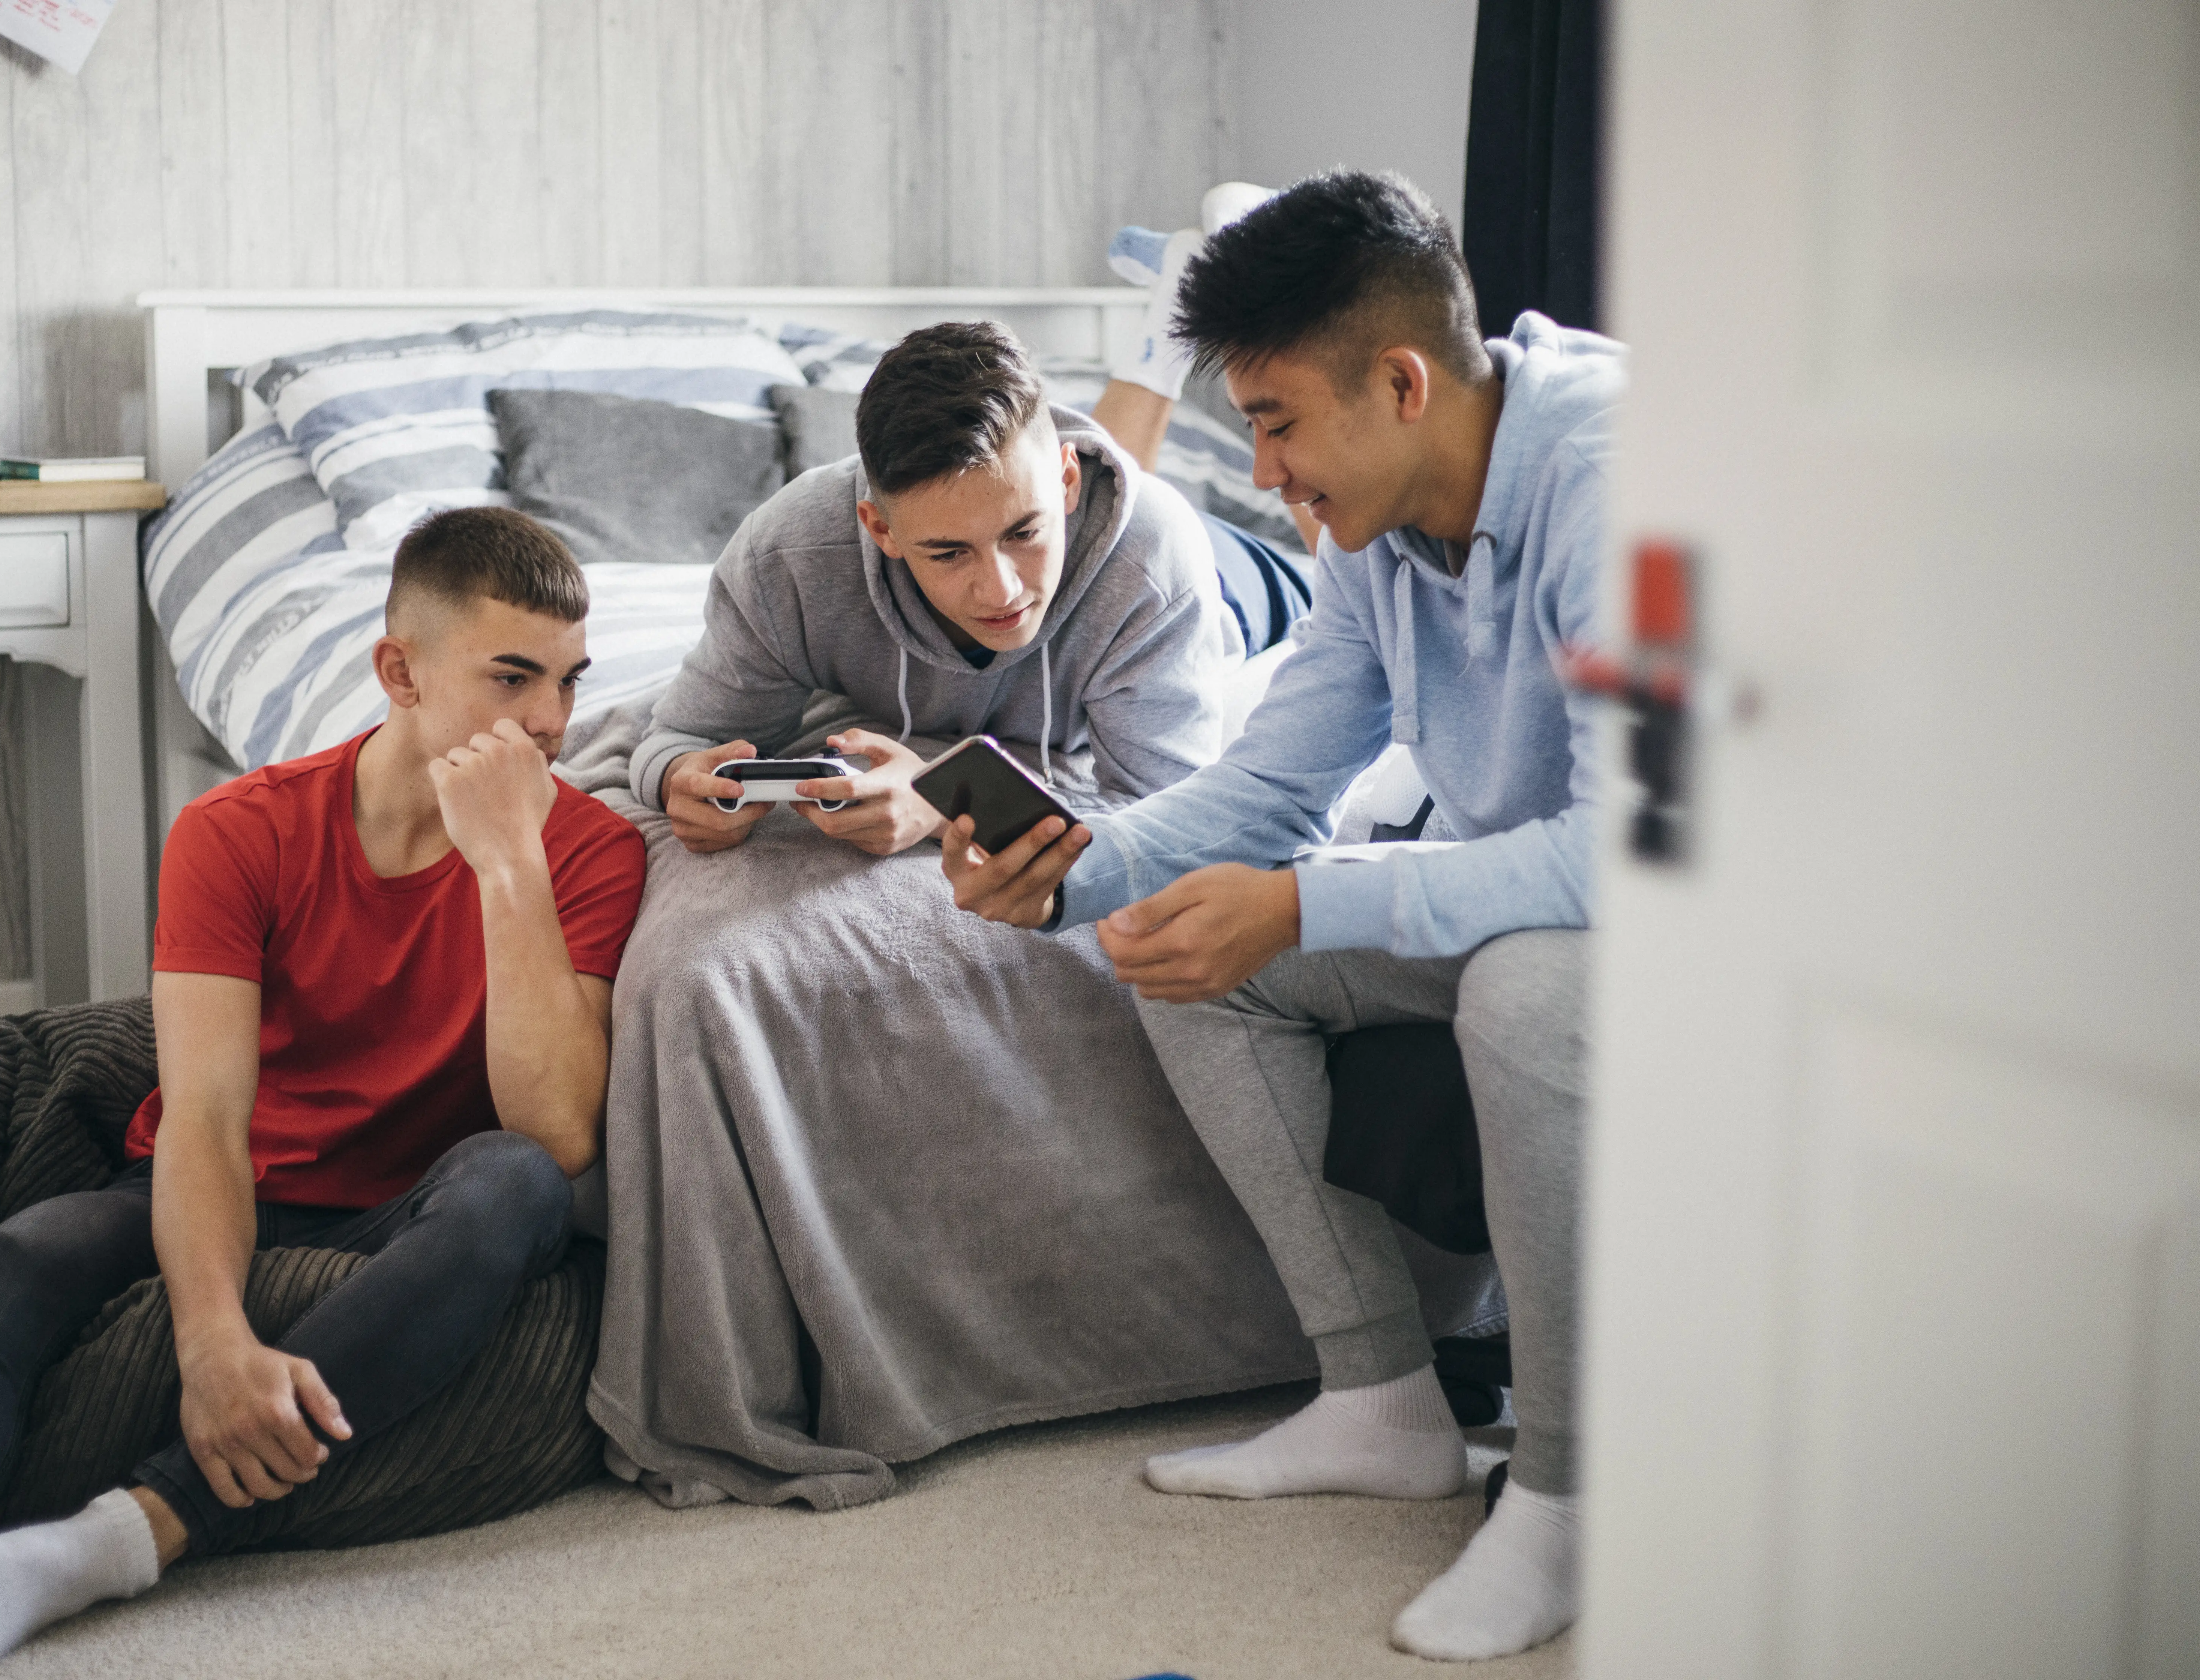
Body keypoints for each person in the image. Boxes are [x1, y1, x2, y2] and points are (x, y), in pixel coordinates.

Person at [939, 169, 1619, 1662]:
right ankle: (1383, 1399)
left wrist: (1308, 899)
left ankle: (1568, 1493)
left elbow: (1631, 856)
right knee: (1196, 945)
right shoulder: (1372, 532)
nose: (1265, 466)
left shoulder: (1618, 477)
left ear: (1400, 380)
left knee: (1525, 989)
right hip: (1536, 902)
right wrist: (1073, 869)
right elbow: (1264, 792)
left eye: (1277, 420)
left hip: (1703, 926)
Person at [0, 507, 648, 1665]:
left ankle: (130, 1532)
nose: (552, 723)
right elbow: (206, 1120)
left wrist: (507, 861)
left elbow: (558, 1129)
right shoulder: (236, 830)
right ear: (397, 671)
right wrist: (212, 1339)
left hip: (414, 1203)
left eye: (569, 681)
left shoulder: (590, 851)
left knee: (515, 1186)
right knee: (2, 1259)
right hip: (239, 1170)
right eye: (512, 677)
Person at [633, 318, 1233, 852]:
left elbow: (1176, 822)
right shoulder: (786, 559)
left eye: (1024, 532)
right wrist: (681, 778)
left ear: (1068, 481)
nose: (1001, 593)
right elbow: (680, 740)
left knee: (1320, 522)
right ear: (880, 529)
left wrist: (947, 805)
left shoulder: (1158, 566)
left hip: (1243, 578)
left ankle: (1167, 327)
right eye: (948, 553)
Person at [1093, 182, 1321, 656]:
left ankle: (1186, 285)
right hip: (1188, 552)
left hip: (1220, 572)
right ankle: (1190, 279)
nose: (1265, 476)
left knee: (1094, 543)